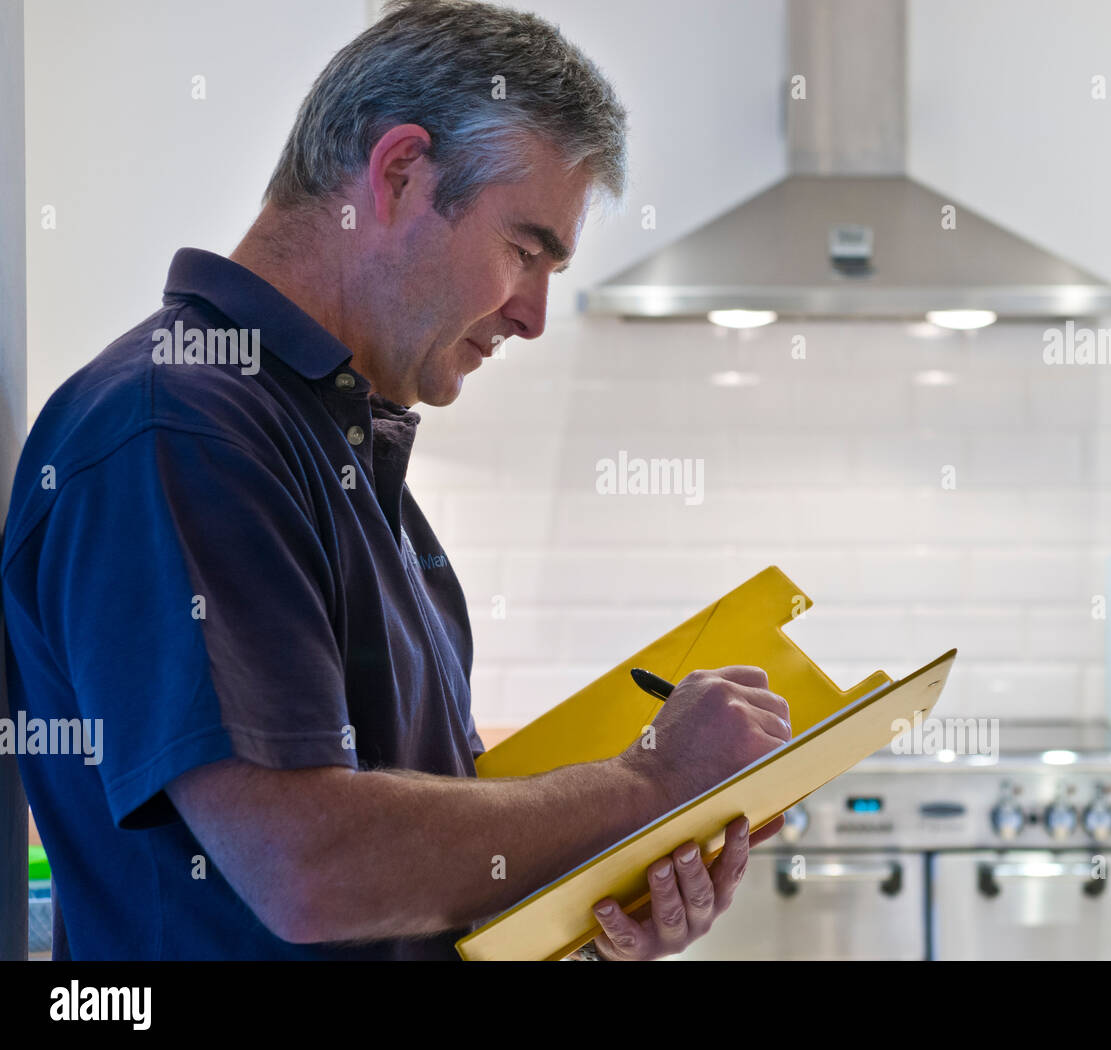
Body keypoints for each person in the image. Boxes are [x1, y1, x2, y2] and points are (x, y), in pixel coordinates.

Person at [1, 0, 790, 961]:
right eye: (525, 249)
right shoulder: (179, 426)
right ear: (401, 171)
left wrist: (590, 905)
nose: (535, 314)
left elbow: (401, 887)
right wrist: (651, 785)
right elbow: (308, 871)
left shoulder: (341, 453)